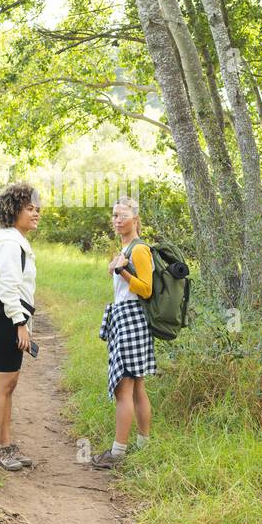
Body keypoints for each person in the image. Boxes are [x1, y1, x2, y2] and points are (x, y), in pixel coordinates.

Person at [91, 195, 156, 470]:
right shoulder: (126, 248)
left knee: (124, 389)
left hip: (132, 318)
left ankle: (117, 454)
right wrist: (118, 267)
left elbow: (147, 289)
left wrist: (123, 272)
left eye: (123, 215)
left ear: (136, 219)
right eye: (115, 215)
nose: (117, 220)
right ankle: (144, 448)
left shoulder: (139, 250)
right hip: (125, 318)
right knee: (136, 386)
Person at [0, 182, 40, 472]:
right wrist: (20, 323)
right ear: (13, 209)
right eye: (29, 208)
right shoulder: (8, 244)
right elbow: (8, 287)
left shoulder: (15, 241)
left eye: (37, 209)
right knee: (2, 384)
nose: (35, 214)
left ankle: (6, 443)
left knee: (10, 384)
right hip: (7, 319)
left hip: (13, 318)